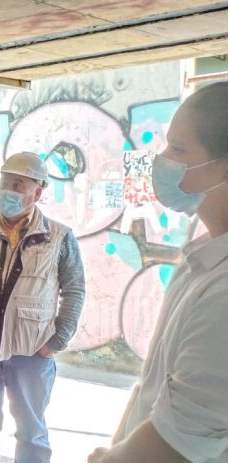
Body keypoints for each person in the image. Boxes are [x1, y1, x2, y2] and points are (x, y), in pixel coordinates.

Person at [89, 83, 228, 463]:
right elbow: (155, 394)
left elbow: (180, 440)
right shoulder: (201, 261)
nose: (162, 160)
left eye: (178, 149)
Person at [0, 151, 86, 463]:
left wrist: (56, 342)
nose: (9, 190)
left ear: (38, 192)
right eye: (5, 182)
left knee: (31, 432)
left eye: (19, 184)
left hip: (32, 353)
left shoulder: (59, 238)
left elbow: (74, 291)